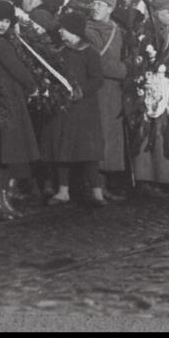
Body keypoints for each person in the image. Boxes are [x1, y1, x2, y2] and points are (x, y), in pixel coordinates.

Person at [0, 0, 40, 220]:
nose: (3, 25)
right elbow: (17, 68)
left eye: (6, 21)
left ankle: (0, 199)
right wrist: (32, 86)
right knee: (0, 153)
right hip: (6, 100)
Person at [43, 12, 107, 206]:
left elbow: (97, 79)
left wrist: (81, 91)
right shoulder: (60, 53)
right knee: (63, 150)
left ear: (75, 31)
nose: (61, 32)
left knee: (89, 154)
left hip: (85, 110)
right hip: (64, 109)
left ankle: (97, 193)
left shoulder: (90, 53)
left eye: (64, 29)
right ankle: (63, 191)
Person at [130, 0, 169, 191]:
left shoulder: (168, 34)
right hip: (147, 88)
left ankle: (165, 177)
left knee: (164, 132)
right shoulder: (144, 33)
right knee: (147, 132)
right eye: (168, 12)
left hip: (165, 87)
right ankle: (145, 178)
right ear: (156, 12)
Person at [86, 0, 128, 201]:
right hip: (97, 90)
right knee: (97, 137)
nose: (95, 7)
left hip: (113, 93)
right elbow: (97, 62)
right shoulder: (87, 30)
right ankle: (95, 186)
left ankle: (104, 185)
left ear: (111, 9)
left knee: (110, 137)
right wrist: (125, 71)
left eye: (100, 4)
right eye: (93, 3)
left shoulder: (117, 31)